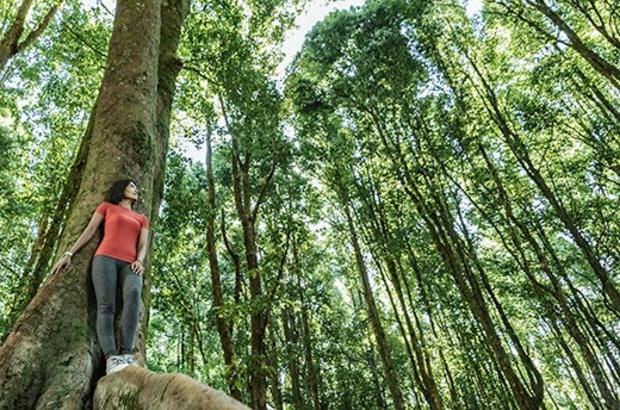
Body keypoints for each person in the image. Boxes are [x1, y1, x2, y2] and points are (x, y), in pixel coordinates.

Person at [51, 179, 150, 375]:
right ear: (120, 189)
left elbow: (143, 245)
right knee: (106, 306)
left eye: (136, 188)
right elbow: (89, 231)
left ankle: (126, 354)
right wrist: (69, 254)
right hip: (105, 259)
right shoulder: (107, 207)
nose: (135, 190)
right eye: (131, 186)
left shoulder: (141, 218)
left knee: (134, 296)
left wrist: (139, 260)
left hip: (130, 264)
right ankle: (111, 358)